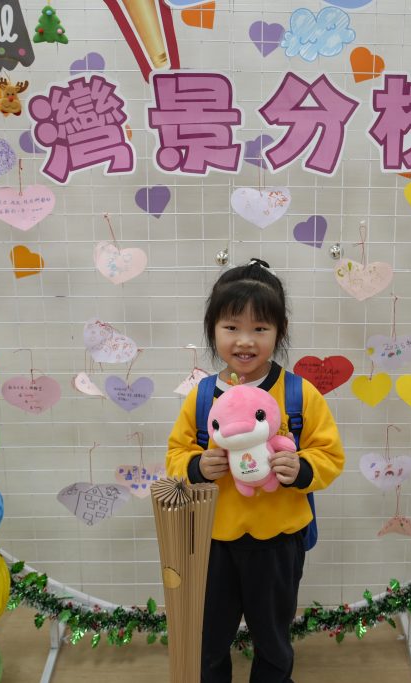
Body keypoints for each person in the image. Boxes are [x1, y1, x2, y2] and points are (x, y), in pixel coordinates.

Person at [167, 258, 344, 683]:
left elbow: (331, 455)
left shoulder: (300, 394)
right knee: (208, 639)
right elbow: (176, 454)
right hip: (213, 541)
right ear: (213, 329)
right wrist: (196, 466)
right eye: (231, 327)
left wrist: (301, 468)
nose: (245, 341)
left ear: (280, 331)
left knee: (273, 639)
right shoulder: (202, 396)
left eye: (260, 328)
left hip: (279, 543)